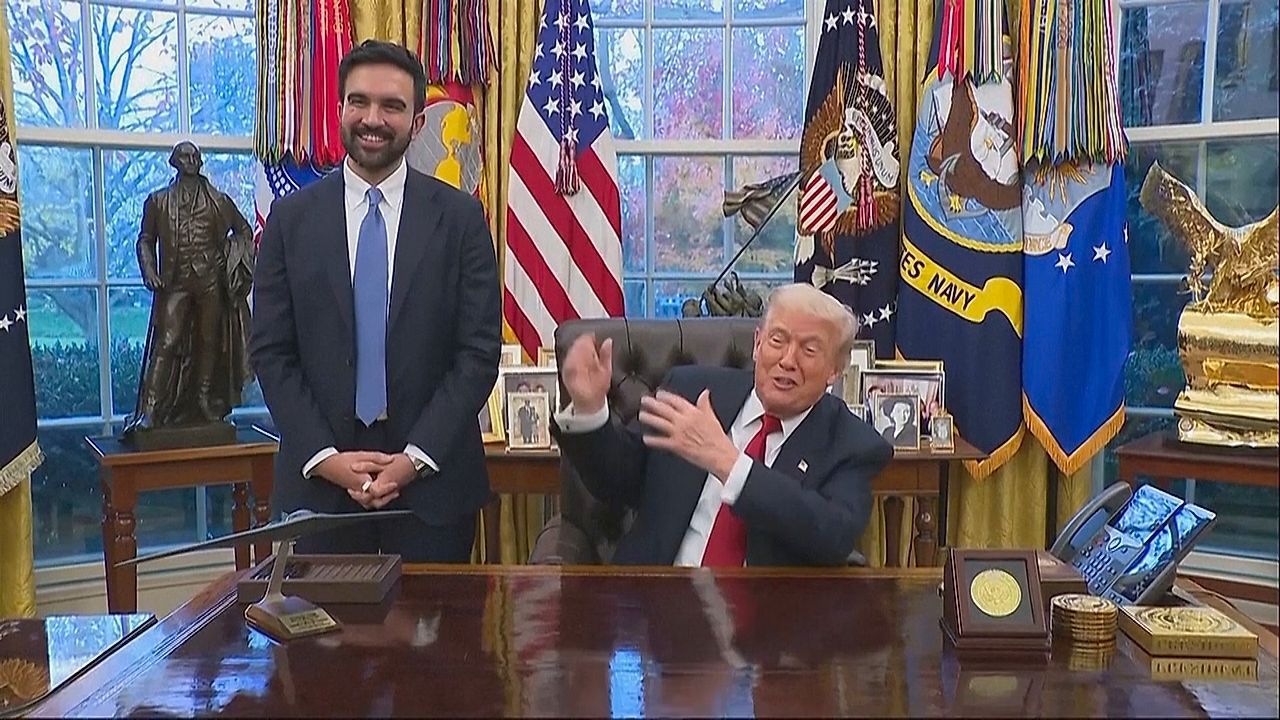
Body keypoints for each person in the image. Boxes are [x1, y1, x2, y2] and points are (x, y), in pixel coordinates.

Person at [249, 39, 500, 561]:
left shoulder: (461, 220)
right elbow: (271, 354)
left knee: (436, 621)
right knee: (320, 621)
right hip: (319, 494)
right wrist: (326, 459)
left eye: (392, 106)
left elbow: (477, 354)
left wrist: (413, 460)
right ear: (339, 109)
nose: (372, 119)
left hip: (433, 493)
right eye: (359, 101)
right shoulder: (289, 222)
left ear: (418, 122)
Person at [554, 283, 892, 567]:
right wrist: (590, 408)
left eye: (809, 349)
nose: (788, 360)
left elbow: (833, 536)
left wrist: (729, 464)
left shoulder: (852, 443)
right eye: (778, 340)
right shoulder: (690, 391)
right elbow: (618, 482)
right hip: (656, 600)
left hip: (768, 619)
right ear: (757, 344)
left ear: (835, 370)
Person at [126, 141, 254, 432]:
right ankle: (150, 409)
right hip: (175, 283)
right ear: (175, 162)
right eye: (185, 157)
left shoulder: (219, 201)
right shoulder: (158, 201)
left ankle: (204, 400)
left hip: (210, 282)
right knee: (167, 342)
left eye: (196, 156)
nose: (192, 161)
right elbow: (145, 240)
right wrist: (150, 271)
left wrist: (229, 254)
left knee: (209, 341)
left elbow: (244, 232)